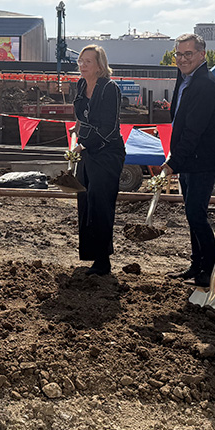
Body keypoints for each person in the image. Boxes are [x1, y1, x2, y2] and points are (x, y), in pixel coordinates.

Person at [161, 33, 215, 287]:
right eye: (179, 54)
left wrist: (174, 162)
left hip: (203, 162)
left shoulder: (205, 85)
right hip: (190, 161)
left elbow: (193, 130)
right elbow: (179, 120)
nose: (182, 59)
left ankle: (209, 269)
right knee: (192, 215)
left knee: (196, 215)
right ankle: (196, 264)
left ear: (202, 55)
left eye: (188, 54)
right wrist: (177, 158)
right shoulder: (186, 79)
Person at [72, 45, 125, 275]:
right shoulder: (81, 84)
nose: (83, 65)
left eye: (88, 62)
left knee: (100, 202)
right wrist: (76, 135)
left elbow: (108, 127)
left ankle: (103, 260)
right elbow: (80, 117)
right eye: (81, 61)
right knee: (85, 199)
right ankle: (91, 255)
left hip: (107, 151)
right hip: (85, 148)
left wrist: (84, 144)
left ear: (100, 66)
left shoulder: (110, 88)